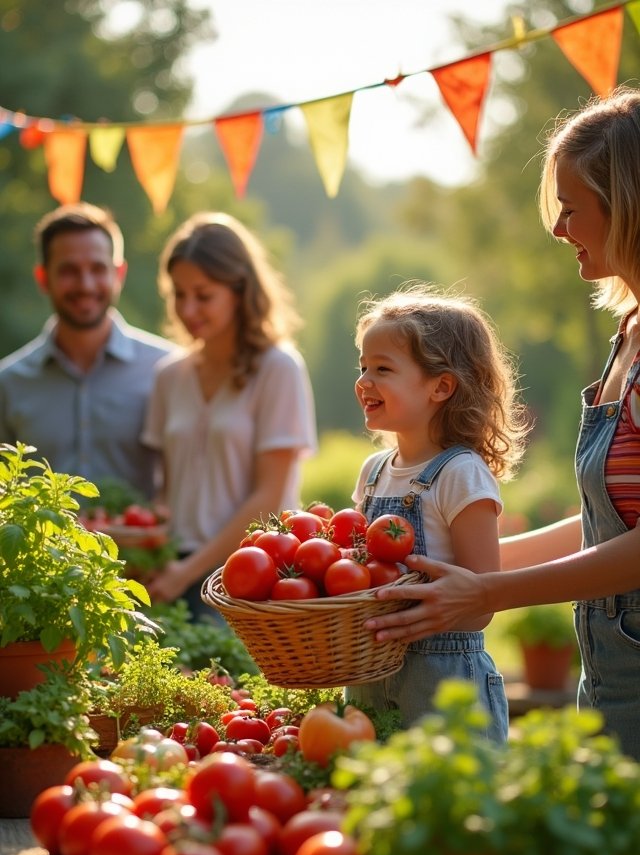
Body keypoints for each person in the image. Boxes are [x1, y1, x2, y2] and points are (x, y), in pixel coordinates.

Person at [364, 86, 640, 762]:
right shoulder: (628, 333)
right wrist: (450, 566)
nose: (557, 229)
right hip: (612, 661)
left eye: (571, 209)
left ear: (630, 206)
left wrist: (487, 591)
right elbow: (609, 520)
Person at [345, 283, 529, 739]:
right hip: (370, 677)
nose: (364, 381)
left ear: (441, 386)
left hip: (445, 683)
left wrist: (416, 617)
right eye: (363, 366)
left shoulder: (460, 473)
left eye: (383, 369)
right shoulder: (373, 472)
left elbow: (481, 597)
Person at [142, 212, 317, 618]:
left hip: (251, 573)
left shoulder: (278, 369)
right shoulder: (169, 376)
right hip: (172, 572)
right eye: (178, 294)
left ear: (240, 290)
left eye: (203, 295)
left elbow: (268, 498)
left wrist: (188, 571)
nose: (188, 308)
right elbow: (168, 490)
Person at [0, 202, 172, 499]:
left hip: (145, 545)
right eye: (69, 270)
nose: (86, 284)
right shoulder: (8, 383)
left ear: (119, 273)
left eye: (98, 268)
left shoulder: (168, 370)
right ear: (43, 278)